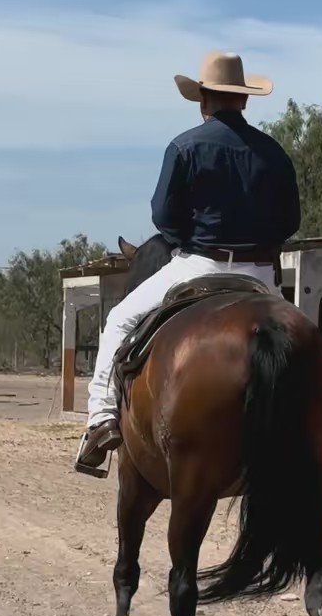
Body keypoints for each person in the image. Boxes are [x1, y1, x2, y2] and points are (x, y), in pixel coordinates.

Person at [76, 51, 301, 470]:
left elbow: (162, 215)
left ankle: (101, 421)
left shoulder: (184, 146)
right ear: (244, 99)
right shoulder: (274, 153)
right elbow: (291, 221)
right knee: (302, 347)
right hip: (258, 274)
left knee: (120, 321)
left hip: (199, 264)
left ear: (203, 100)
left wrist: (189, 243)